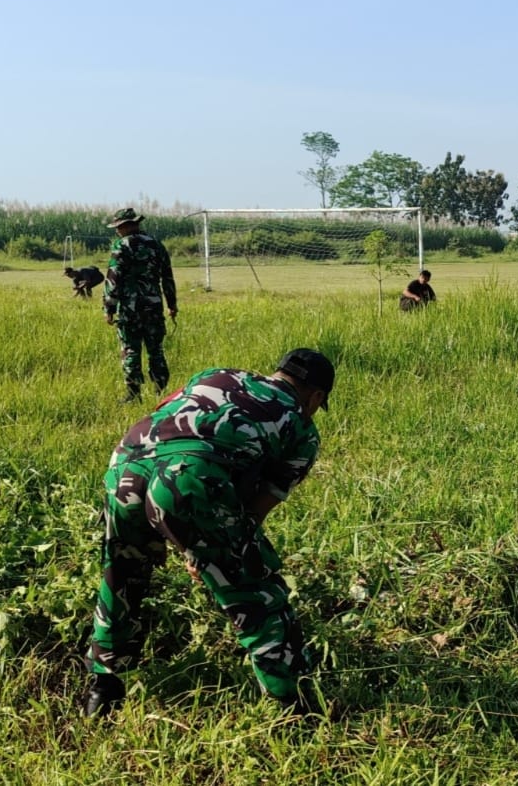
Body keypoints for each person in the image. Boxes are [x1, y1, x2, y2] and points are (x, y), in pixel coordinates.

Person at [85, 349, 336, 718]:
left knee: (122, 574)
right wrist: (207, 547)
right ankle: (295, 707)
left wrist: (196, 540)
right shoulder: (301, 428)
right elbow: (252, 513)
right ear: (316, 397)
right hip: (188, 478)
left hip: (126, 464)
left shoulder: (216, 374)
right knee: (256, 592)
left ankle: (103, 690)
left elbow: (168, 417)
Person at [103, 208, 178, 401]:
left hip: (130, 309)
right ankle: (160, 392)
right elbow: (167, 277)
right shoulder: (156, 244)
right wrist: (172, 304)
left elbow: (113, 279)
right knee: (156, 350)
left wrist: (109, 307)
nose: (117, 231)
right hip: (154, 306)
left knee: (130, 350)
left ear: (127, 226)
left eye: (118, 227)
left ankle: (133, 394)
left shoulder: (121, 245)